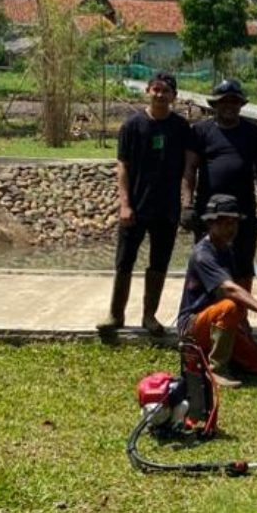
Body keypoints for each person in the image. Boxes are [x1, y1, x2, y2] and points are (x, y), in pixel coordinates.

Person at [97, 72, 197, 340]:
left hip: (166, 209)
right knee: (124, 261)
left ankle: (149, 315)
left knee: (159, 263)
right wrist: (125, 204)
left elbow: (189, 167)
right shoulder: (132, 126)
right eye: (156, 89)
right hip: (136, 207)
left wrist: (186, 202)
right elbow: (122, 167)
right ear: (148, 92)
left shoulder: (181, 128)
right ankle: (115, 314)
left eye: (166, 91)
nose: (160, 95)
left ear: (174, 96)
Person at [176, 194, 257, 388]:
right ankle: (215, 369)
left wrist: (242, 331)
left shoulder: (226, 249)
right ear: (211, 223)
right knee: (231, 305)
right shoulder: (203, 254)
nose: (231, 229)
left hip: (216, 321)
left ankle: (217, 355)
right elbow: (228, 288)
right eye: (225, 223)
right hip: (192, 326)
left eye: (234, 223)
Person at [183, 79, 257, 290]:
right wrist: (187, 205)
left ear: (241, 104)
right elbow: (190, 169)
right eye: (224, 101)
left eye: (234, 101)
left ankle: (241, 309)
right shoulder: (200, 132)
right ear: (215, 104)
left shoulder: (254, 133)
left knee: (243, 265)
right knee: (207, 263)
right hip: (209, 211)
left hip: (243, 210)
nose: (229, 106)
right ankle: (208, 307)